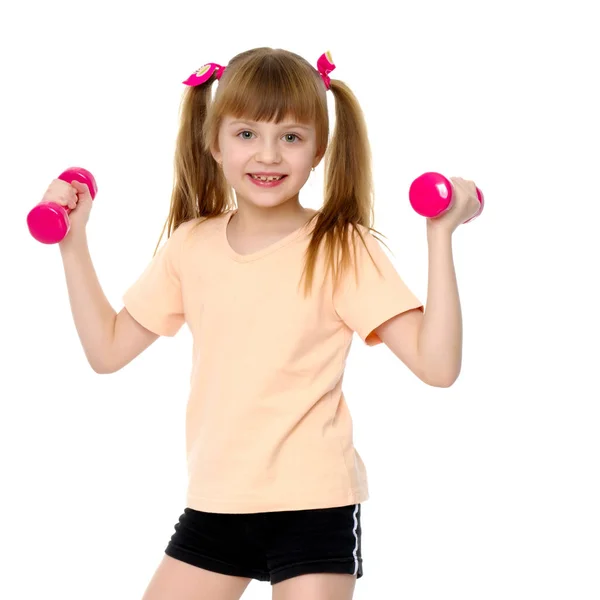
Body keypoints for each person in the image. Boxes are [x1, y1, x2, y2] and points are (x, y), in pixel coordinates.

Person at [50, 47, 481, 600]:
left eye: (292, 137)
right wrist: (71, 242)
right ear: (214, 141)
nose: (268, 154)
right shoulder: (191, 246)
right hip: (216, 503)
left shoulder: (340, 246)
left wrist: (439, 237)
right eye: (247, 134)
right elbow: (107, 351)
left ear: (319, 148)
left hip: (313, 504)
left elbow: (438, 365)